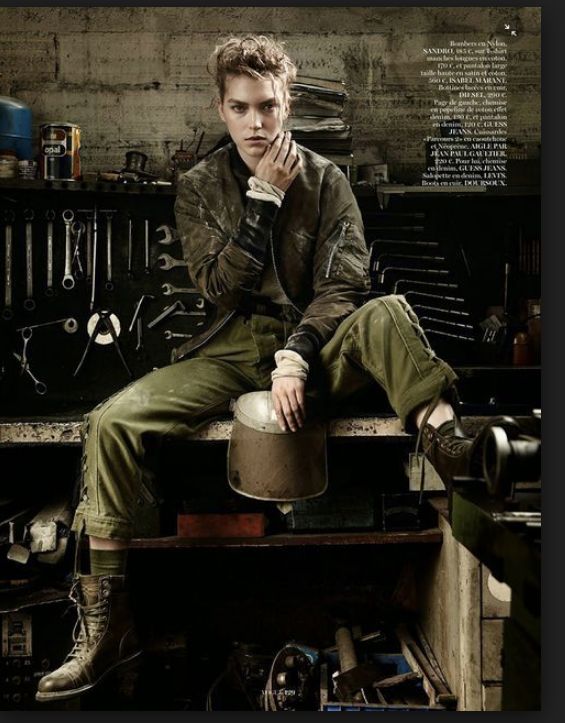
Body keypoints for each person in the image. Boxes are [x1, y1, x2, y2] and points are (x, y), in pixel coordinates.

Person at [36, 34, 485, 703]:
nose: (256, 123)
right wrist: (263, 202)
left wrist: (295, 356)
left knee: (388, 309)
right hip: (227, 349)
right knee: (109, 422)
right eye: (241, 108)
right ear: (221, 109)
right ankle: (108, 628)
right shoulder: (197, 187)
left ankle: (461, 457)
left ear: (287, 107)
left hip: (315, 347)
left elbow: (344, 287)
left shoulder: (329, 181)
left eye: (268, 107)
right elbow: (218, 285)